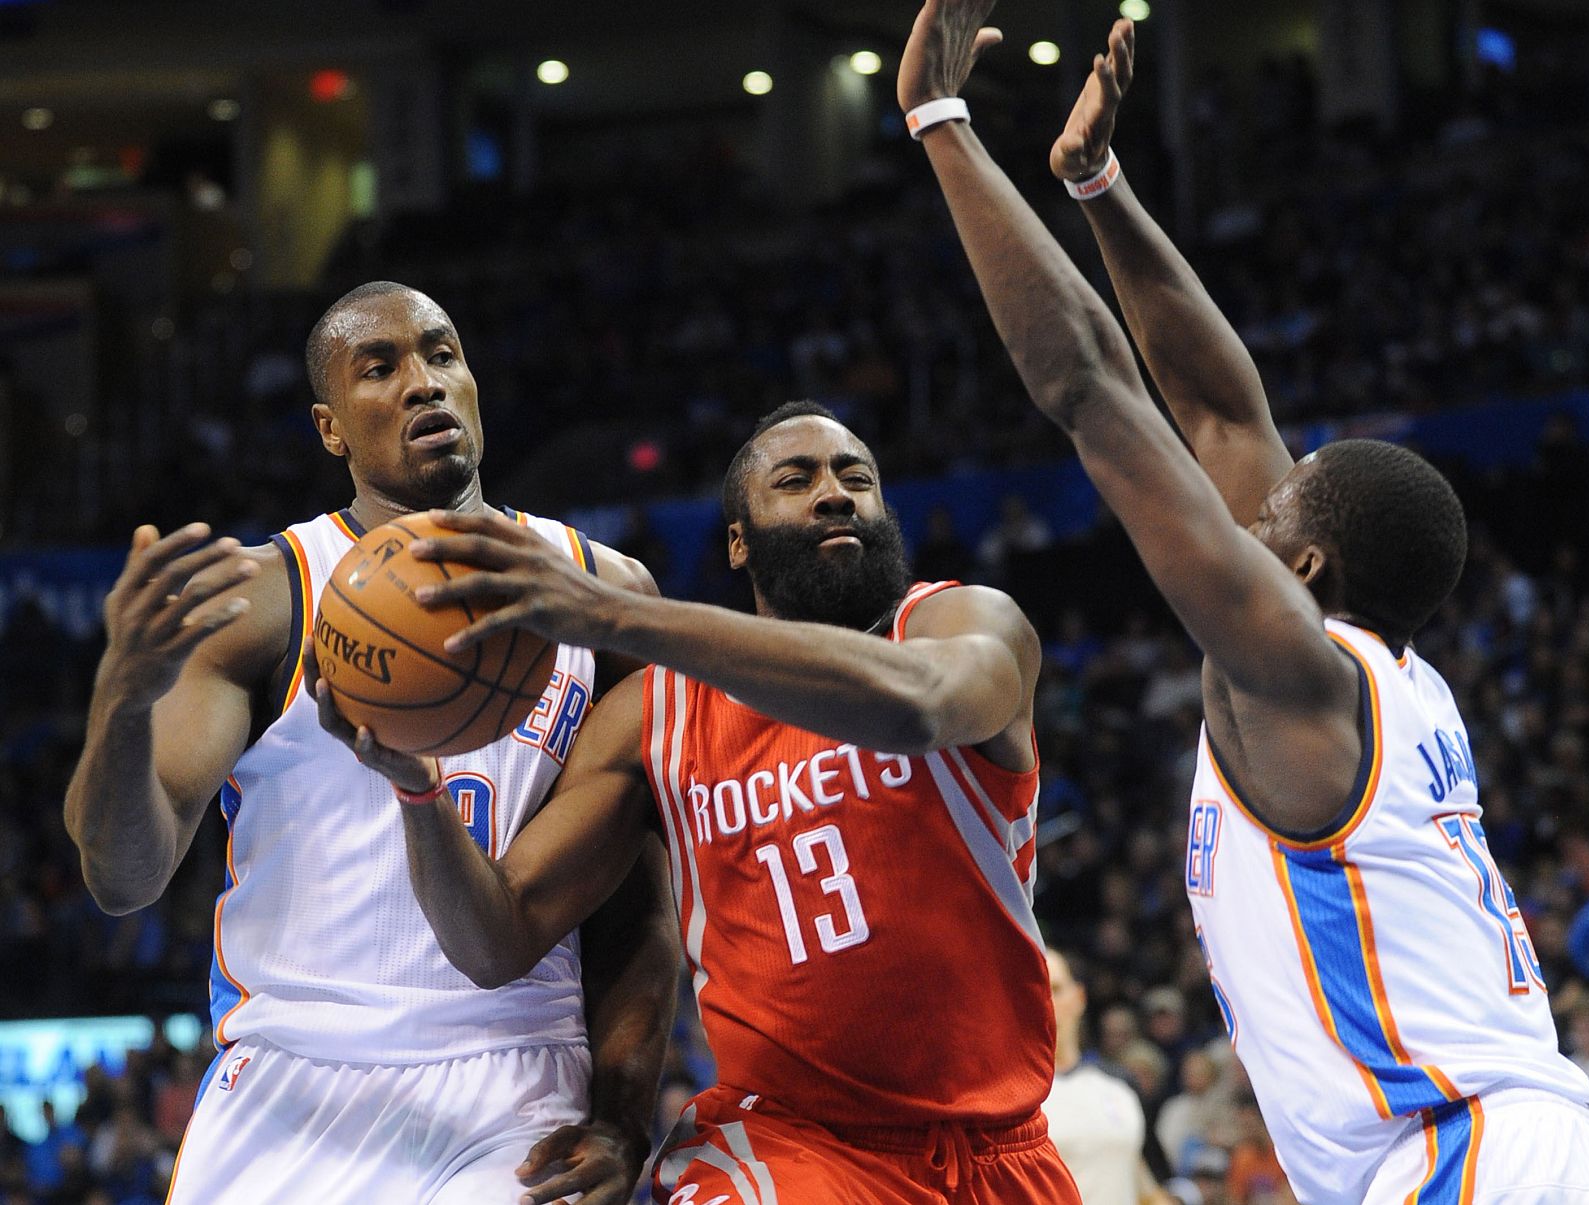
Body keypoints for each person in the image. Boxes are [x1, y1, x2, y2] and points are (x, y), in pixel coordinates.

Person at [899, 3, 1589, 1201]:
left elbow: (1088, 388)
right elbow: (1225, 415)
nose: (1250, 508)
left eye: (1279, 514)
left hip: (1476, 1157)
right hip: (1481, 1142)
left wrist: (941, 124)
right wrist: (1099, 183)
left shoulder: (1295, 674)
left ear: (1309, 569)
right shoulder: (1382, 682)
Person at [311, 398, 1081, 1203]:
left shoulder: (960, 621)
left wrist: (623, 614)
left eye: (857, 477)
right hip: (786, 1143)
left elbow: (920, 705)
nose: (834, 493)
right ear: (737, 542)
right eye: (797, 478)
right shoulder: (657, 712)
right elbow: (494, 938)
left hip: (1003, 1152)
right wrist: (416, 790)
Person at [63, 281, 677, 1205]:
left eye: (441, 354)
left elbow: (638, 904)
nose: (423, 382)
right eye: (379, 367)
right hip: (289, 1081)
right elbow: (123, 878)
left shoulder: (605, 592)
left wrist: (625, 1114)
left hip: (511, 1074)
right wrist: (119, 701)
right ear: (330, 428)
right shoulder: (268, 601)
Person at [1041, 949, 1174, 1205]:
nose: (1046, 1001)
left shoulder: (1121, 1084)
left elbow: (1139, 1176)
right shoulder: (1013, 1099)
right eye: (1036, 989)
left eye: (1055, 989)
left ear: (1079, 997)